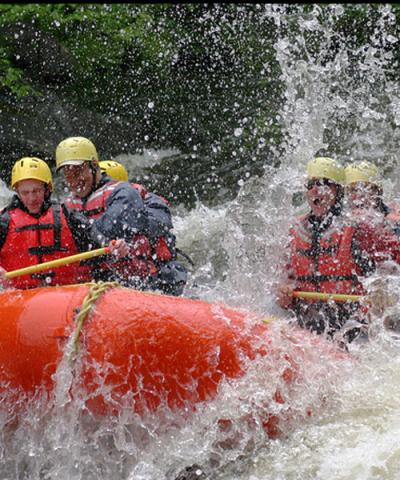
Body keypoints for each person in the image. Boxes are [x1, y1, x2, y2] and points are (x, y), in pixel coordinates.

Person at [276, 157, 376, 343]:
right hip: (307, 318)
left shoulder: (356, 230)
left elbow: (379, 282)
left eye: (323, 184)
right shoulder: (294, 231)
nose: (315, 190)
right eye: (311, 185)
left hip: (350, 321)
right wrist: (283, 291)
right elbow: (284, 279)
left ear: (337, 191)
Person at [0, 157, 127, 290]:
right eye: (25, 192)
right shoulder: (4, 222)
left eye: (37, 191)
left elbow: (96, 242)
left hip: (65, 295)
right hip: (19, 298)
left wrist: (113, 247)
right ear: (17, 192)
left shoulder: (67, 215)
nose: (31, 198)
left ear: (47, 188)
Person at [55, 137, 159, 289]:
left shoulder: (123, 193)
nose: (74, 180)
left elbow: (109, 230)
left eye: (78, 170)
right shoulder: (66, 206)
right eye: (68, 174)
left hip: (134, 280)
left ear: (94, 165)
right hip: (91, 282)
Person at [99, 160, 189, 296]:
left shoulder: (148, 201)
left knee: (171, 274)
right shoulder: (92, 209)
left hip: (157, 272)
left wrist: (129, 219)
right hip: (119, 274)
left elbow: (160, 223)